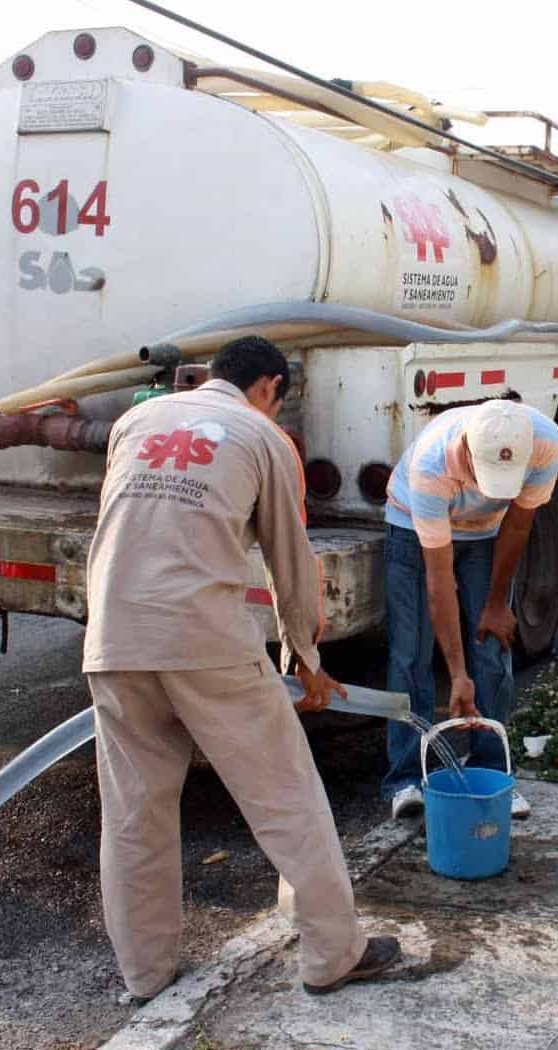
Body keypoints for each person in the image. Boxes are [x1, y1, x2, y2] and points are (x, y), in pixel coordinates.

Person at [83, 336, 399, 1003]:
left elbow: (124, 525)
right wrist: (306, 660)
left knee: (135, 816)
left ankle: (145, 975)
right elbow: (291, 559)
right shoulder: (260, 436)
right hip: (205, 639)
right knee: (287, 800)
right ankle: (333, 955)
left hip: (112, 637)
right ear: (268, 388)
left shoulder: (134, 422)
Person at [380, 399, 558, 820]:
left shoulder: (547, 443)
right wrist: (458, 677)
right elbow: (439, 580)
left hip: (486, 531)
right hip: (413, 527)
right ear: (466, 449)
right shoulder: (432, 462)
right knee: (411, 652)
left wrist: (496, 604)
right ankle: (407, 779)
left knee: (494, 646)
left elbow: (519, 523)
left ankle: (493, 770)